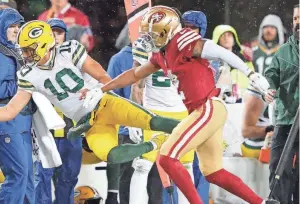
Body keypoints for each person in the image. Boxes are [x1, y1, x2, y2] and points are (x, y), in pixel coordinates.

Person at [82, 5, 277, 204]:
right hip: (201, 111)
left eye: (152, 34)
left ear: (167, 30)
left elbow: (219, 51)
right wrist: (102, 88)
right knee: (213, 172)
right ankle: (262, 202)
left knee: (166, 157)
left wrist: (251, 74)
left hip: (207, 107)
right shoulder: (162, 54)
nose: (147, 39)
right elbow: (134, 75)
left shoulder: (183, 39)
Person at [0, 20, 182, 171]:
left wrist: (107, 93)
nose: (25, 54)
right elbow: (11, 110)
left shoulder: (68, 50)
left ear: (42, 45)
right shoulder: (27, 74)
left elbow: (101, 74)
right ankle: (155, 144)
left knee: (156, 121)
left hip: (104, 103)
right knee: (113, 156)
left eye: (28, 49)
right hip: (88, 123)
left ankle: (195, 126)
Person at [0, 8, 35, 203]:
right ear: (0, 28)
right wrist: (24, 83)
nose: (16, 30)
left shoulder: (13, 50)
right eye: (11, 26)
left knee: (27, 178)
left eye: (18, 26)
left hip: (21, 123)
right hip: (4, 124)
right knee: (17, 175)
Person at [129, 37, 193, 204]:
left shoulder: (186, 43)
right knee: (143, 165)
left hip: (181, 112)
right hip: (155, 113)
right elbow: (137, 84)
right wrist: (133, 118)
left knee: (185, 166)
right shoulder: (145, 45)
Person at [34, 18, 83, 204]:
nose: (55, 36)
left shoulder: (77, 59)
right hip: (45, 128)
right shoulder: (33, 62)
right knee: (42, 177)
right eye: (51, 32)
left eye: (59, 32)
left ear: (65, 36)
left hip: (71, 128)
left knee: (68, 178)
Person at [264, 4, 299, 203]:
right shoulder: (284, 52)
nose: (298, 22)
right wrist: (268, 89)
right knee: (278, 168)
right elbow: (271, 77)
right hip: (286, 119)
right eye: (295, 19)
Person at [182, 10, 210, 204]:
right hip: (180, 115)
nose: (189, 31)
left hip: (205, 115)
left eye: (193, 28)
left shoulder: (210, 50)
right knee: (180, 165)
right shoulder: (174, 49)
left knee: (204, 166)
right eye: (186, 27)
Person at [106, 42, 134, 204]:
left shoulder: (162, 56)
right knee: (126, 180)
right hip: (127, 131)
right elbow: (111, 96)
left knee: (156, 183)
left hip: (155, 128)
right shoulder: (119, 59)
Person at [211, 24, 255, 96]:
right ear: (217, 38)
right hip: (220, 102)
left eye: (229, 35)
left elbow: (253, 84)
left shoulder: (245, 61)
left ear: (234, 39)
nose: (226, 38)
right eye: (222, 35)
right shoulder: (211, 63)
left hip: (242, 103)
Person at [241, 85, 273, 160]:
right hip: (258, 149)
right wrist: (274, 129)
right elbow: (246, 131)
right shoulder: (257, 93)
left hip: (279, 146)